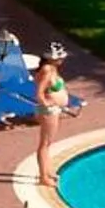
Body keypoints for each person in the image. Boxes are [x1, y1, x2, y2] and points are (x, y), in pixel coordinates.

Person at [34, 42, 72, 185]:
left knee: (48, 143)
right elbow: (39, 92)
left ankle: (47, 171)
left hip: (53, 110)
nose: (62, 60)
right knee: (44, 144)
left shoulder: (52, 68)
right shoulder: (47, 70)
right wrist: (47, 105)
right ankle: (43, 177)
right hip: (49, 111)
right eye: (59, 57)